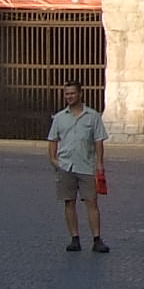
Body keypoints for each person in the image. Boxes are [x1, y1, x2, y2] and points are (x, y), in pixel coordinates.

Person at [48, 81, 108, 252]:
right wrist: (54, 160)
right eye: (67, 94)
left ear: (80, 94)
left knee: (91, 202)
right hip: (66, 165)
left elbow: (99, 141)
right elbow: (52, 140)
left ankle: (96, 238)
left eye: (72, 93)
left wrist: (99, 163)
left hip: (87, 165)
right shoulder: (59, 118)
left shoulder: (93, 116)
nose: (69, 97)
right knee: (69, 202)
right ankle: (74, 238)